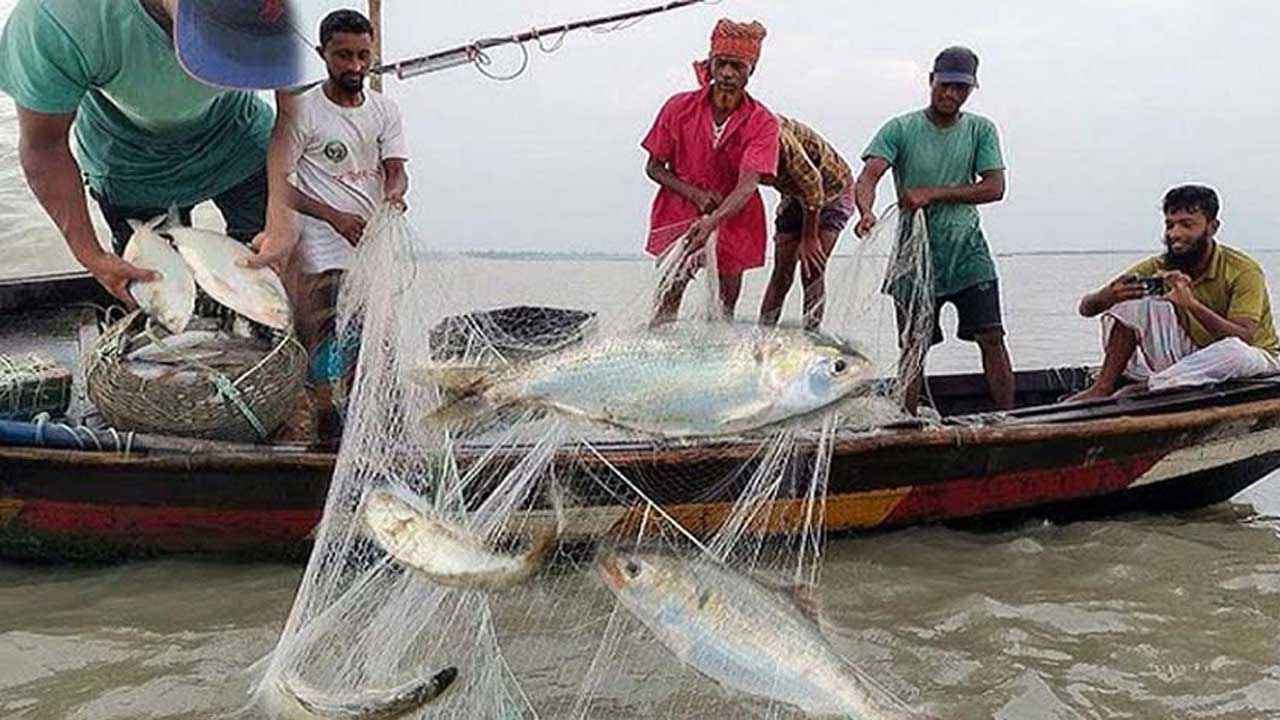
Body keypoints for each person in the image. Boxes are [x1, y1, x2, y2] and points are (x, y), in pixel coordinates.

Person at [0, 0, 305, 305]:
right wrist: (90, 254)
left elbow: (297, 117)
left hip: (239, 138)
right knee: (162, 300)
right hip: (130, 164)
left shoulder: (306, 12)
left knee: (273, 282)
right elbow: (45, 146)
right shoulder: (57, 18)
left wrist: (284, 216)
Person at [853, 46, 1013, 414]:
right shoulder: (900, 128)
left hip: (967, 251)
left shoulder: (980, 130)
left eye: (961, 88)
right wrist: (866, 212)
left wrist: (933, 193)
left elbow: (994, 187)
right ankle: (906, 422)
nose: (952, 94)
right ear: (931, 81)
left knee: (991, 335)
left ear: (970, 90)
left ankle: (1010, 418)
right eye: (946, 86)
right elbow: (868, 177)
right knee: (913, 345)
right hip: (914, 256)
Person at [282, 9, 409, 441]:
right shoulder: (302, 112)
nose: (355, 66)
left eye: (362, 56)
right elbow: (280, 187)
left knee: (374, 346)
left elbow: (396, 170)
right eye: (343, 56)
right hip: (320, 254)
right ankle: (327, 432)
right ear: (323, 54)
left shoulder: (385, 111)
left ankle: (377, 433)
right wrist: (332, 216)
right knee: (325, 345)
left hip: (371, 253)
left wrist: (394, 194)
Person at [1070, 185, 1279, 400]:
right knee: (1132, 299)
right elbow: (1086, 308)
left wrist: (1192, 305)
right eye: (1170, 225)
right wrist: (1108, 295)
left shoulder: (1243, 270)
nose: (1175, 234)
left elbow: (1244, 337)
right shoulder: (1159, 266)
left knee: (1236, 353)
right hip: (1192, 358)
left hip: (1252, 358)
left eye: (1186, 225)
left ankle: (1149, 387)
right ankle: (1103, 387)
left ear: (1212, 227)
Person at [642, 19, 779, 323]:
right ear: (711, 63)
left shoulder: (763, 122)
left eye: (737, 66)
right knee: (668, 298)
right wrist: (695, 194)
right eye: (722, 64)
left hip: (734, 215)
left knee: (724, 307)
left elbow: (747, 185)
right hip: (678, 212)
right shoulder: (678, 107)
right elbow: (654, 167)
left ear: (751, 70)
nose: (728, 73)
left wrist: (712, 221)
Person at [758, 115, 854, 330]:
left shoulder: (779, 139)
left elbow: (813, 185)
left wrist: (809, 238)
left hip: (832, 190)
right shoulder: (737, 141)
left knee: (812, 270)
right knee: (782, 272)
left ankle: (812, 336)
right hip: (794, 195)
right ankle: (762, 336)